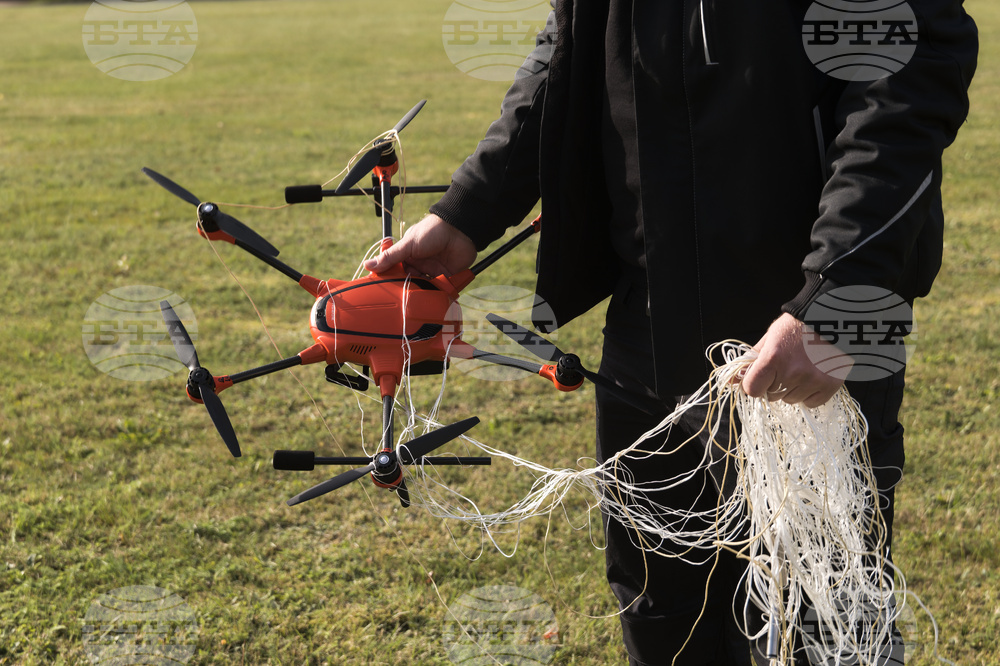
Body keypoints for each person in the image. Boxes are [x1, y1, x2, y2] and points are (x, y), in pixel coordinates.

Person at [366, 2, 978, 663]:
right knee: (662, 612)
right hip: (647, 321)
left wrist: (832, 300)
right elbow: (567, 53)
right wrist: (467, 212)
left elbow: (904, 84)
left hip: (807, 337)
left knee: (822, 620)